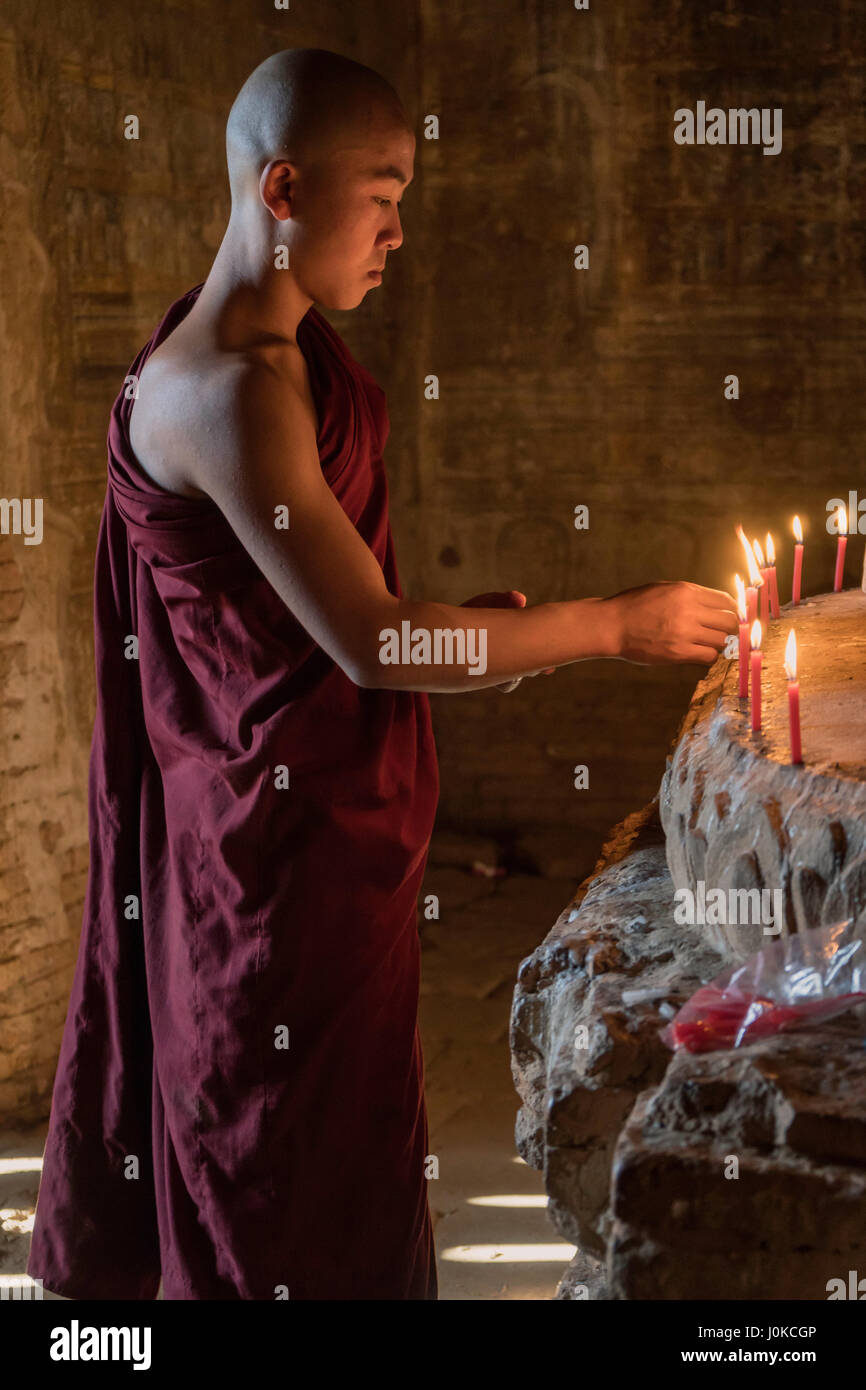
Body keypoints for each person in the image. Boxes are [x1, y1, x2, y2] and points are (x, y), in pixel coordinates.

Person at [26, 47, 737, 1302]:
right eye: (385, 192)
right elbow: (372, 643)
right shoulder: (226, 387)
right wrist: (610, 624)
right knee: (290, 1181)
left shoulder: (272, 345)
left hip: (334, 841)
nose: (400, 232)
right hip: (271, 863)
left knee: (353, 1155)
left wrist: (455, 632)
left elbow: (323, 610)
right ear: (285, 189)